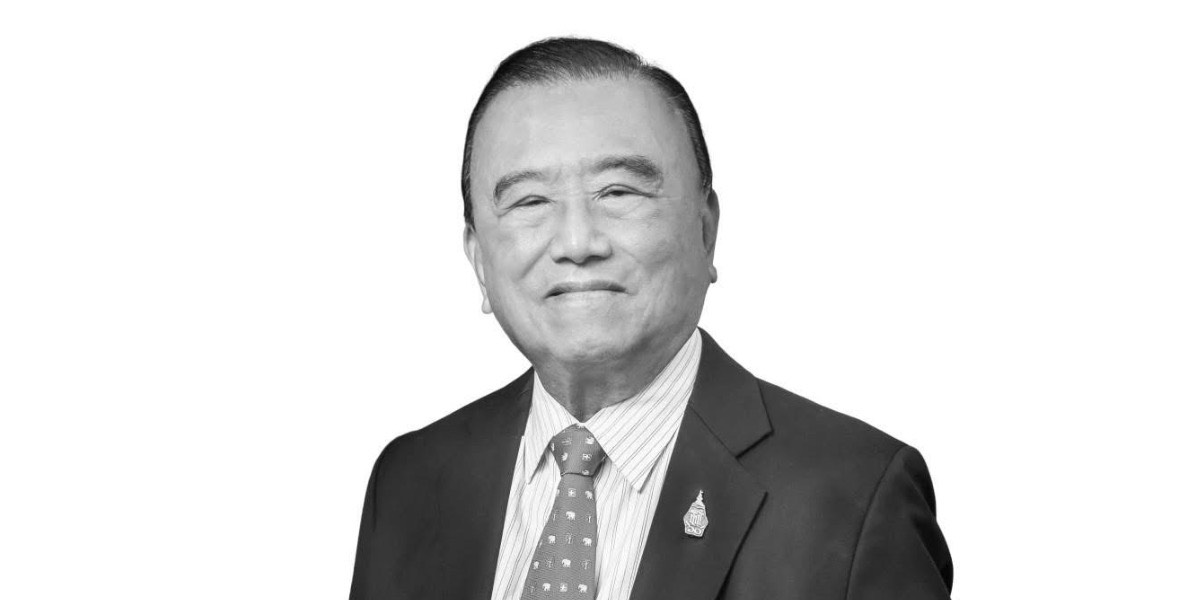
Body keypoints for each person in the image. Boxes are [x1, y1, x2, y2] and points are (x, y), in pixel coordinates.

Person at [350, 37, 953, 600]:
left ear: (706, 230)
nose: (578, 242)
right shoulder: (408, 482)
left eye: (618, 192)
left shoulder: (854, 496)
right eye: (530, 201)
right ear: (479, 260)